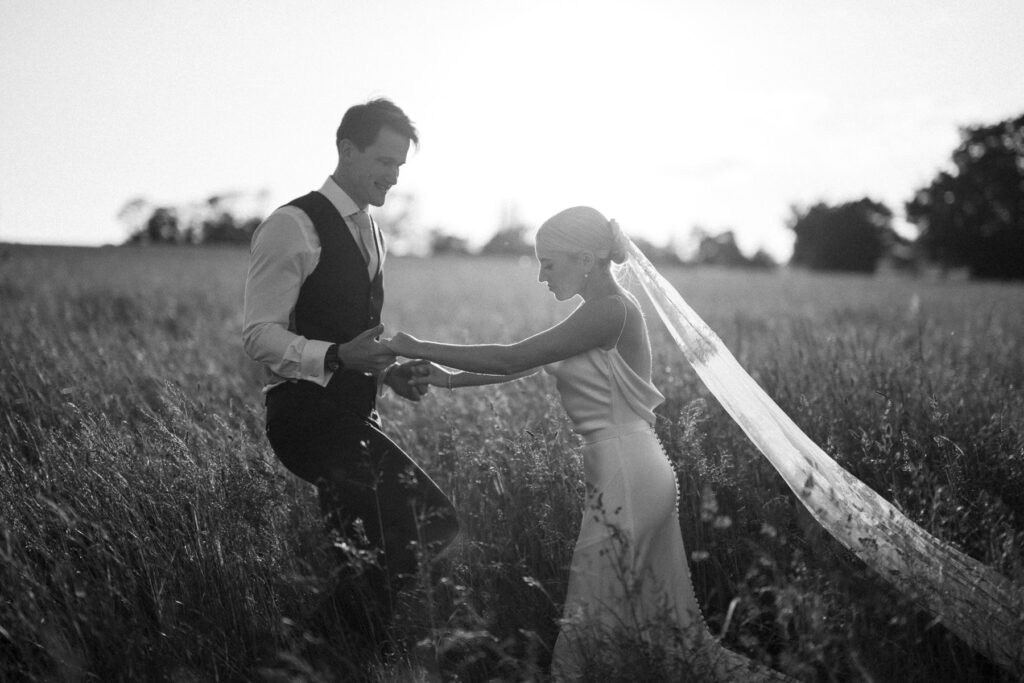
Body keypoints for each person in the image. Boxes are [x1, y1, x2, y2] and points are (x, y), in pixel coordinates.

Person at [383, 207, 792, 681]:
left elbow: (514, 355)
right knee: (660, 633)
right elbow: (524, 365)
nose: (539, 276)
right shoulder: (595, 314)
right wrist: (447, 379)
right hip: (628, 471)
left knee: (589, 625)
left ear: (584, 259)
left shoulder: (610, 311)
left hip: (628, 473)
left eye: (547, 263)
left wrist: (413, 346)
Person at [242, 98, 459, 658]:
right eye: (384, 162)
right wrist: (339, 356)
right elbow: (258, 336)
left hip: (357, 414)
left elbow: (355, 336)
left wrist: (389, 374)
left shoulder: (373, 231)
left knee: (362, 557)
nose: (393, 176)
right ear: (346, 149)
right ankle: (303, 656)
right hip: (307, 420)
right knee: (433, 522)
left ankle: (340, 659)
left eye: (400, 167)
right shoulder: (292, 225)